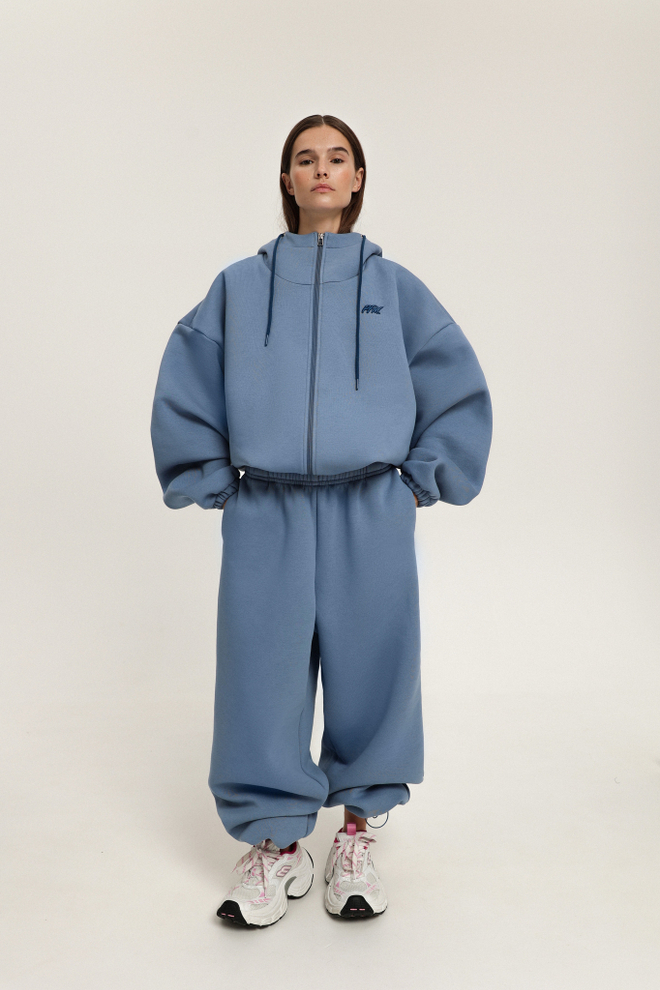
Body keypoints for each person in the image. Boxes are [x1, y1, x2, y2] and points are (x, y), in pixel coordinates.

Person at [150, 114, 493, 927]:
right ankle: (276, 848)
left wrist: (418, 482)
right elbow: (187, 375)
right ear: (288, 181)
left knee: (376, 667)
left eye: (338, 157)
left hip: (370, 507)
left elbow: (456, 385)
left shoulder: (394, 288)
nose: (322, 170)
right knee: (258, 674)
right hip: (265, 507)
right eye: (305, 159)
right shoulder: (240, 285)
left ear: (358, 178)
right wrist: (212, 479)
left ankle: (358, 837)